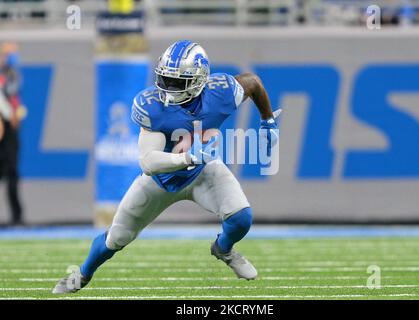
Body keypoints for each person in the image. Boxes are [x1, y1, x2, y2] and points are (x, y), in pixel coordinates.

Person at [53, 40, 280, 294]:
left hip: (202, 171)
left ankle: (223, 249)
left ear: (200, 79)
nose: (169, 88)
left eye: (178, 82)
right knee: (116, 239)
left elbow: (254, 83)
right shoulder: (154, 107)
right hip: (160, 181)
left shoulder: (221, 92)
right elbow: (148, 162)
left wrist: (268, 121)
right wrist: (186, 159)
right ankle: (82, 275)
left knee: (241, 219)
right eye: (165, 79)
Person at [0, 42, 23, 226]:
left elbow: (13, 96)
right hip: (3, 125)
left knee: (13, 173)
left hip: (11, 128)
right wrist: (9, 114)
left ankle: (17, 216)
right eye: (9, 53)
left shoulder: (12, 74)